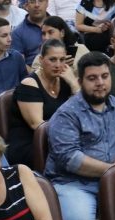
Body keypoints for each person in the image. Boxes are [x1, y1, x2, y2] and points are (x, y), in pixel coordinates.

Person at [45, 52, 115, 220]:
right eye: (92, 78)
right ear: (80, 82)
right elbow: (69, 158)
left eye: (105, 76)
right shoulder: (66, 114)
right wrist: (111, 170)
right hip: (74, 183)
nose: (100, 83)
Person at [7, 39, 79, 167]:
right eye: (52, 59)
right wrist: (69, 135)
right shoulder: (29, 84)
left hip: (59, 140)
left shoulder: (65, 80)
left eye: (62, 60)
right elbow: (38, 126)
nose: (58, 65)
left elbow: (84, 111)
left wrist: (74, 83)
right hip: (31, 144)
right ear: (41, 60)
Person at [11, 0, 49, 68]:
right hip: (32, 71)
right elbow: (19, 64)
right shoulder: (17, 33)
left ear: (47, 3)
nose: (37, 5)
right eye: (32, 2)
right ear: (26, 6)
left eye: (40, 1)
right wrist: (36, 73)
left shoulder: (58, 25)